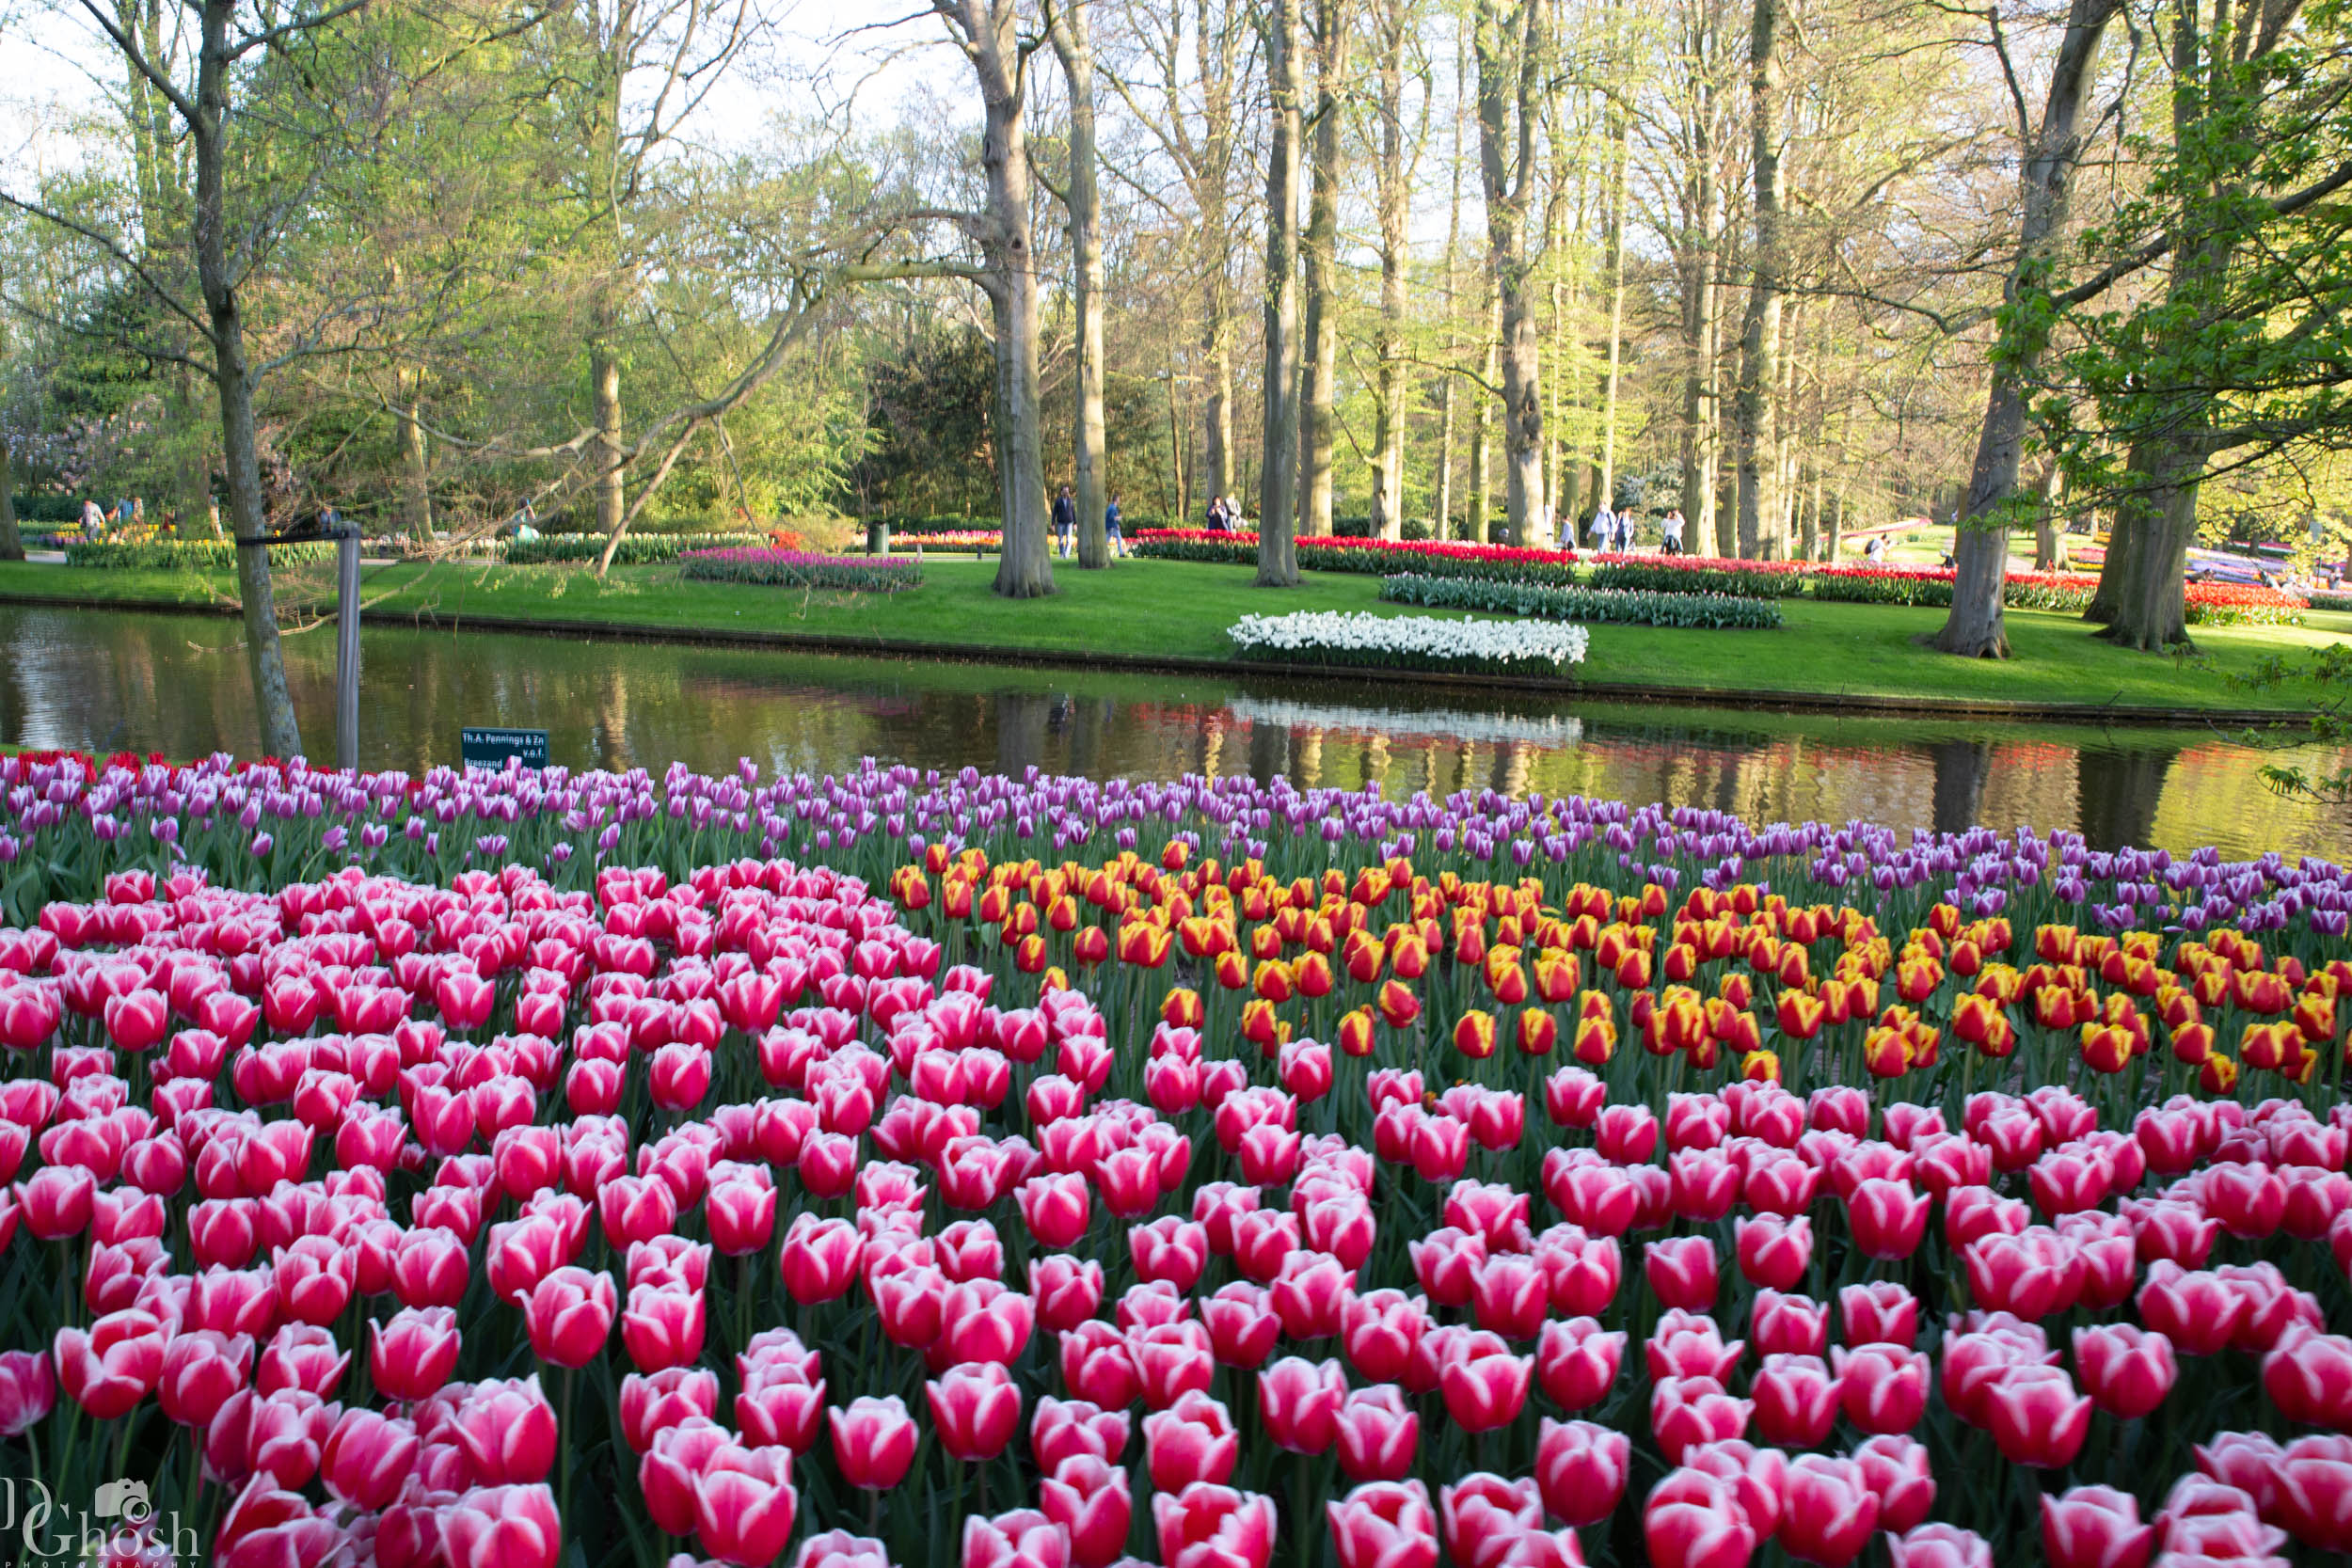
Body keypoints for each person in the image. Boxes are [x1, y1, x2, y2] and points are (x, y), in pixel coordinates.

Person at [1104, 492, 1126, 558]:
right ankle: (1121, 553)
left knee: (1106, 540)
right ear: (1116, 500)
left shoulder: (1111, 507)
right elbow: (1111, 518)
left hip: (1110, 527)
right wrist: (1118, 518)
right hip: (1112, 527)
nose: (1119, 500)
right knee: (1119, 538)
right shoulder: (1113, 508)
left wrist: (1117, 524)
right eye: (1119, 499)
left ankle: (1101, 550)